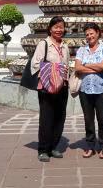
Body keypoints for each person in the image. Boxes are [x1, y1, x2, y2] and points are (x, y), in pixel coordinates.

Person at [30, 16, 69, 162]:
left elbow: (66, 64)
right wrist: (50, 74)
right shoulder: (44, 44)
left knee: (60, 117)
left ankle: (54, 146)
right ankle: (43, 149)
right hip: (47, 86)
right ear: (50, 28)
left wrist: (62, 76)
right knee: (47, 118)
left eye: (61, 27)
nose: (59, 30)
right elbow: (35, 64)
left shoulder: (64, 46)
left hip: (62, 86)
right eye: (56, 27)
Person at [74, 22, 103, 159]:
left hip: (101, 89)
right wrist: (96, 66)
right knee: (88, 119)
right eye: (87, 34)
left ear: (98, 33)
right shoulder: (82, 50)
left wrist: (86, 65)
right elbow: (78, 68)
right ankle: (90, 146)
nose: (89, 36)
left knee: (102, 119)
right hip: (85, 90)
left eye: (91, 33)